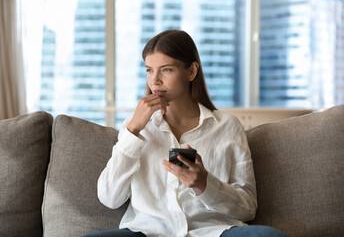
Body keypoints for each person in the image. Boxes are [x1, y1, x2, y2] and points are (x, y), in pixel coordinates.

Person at [84, 30, 286, 237]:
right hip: (149, 233)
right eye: (149, 70)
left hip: (212, 232)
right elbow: (109, 198)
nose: (154, 81)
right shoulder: (134, 126)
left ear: (191, 72)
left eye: (166, 70)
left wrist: (205, 185)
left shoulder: (226, 126)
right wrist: (133, 130)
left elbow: (248, 208)